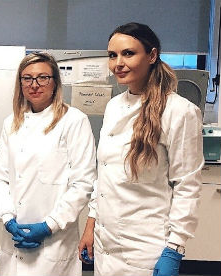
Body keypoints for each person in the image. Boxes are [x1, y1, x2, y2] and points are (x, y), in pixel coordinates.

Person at [78, 22, 204, 276]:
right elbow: (104, 176)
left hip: (146, 248)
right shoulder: (114, 106)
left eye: (128, 53)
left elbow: (186, 185)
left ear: (152, 56)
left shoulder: (179, 112)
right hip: (106, 243)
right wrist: (91, 225)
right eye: (112, 55)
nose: (118, 63)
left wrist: (174, 248)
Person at [0, 52, 97, 276]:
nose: (34, 85)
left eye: (42, 78)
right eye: (27, 78)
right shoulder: (12, 122)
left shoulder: (74, 121)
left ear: (55, 82)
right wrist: (8, 219)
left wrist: (49, 225)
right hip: (14, 240)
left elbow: (83, 183)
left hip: (54, 242)